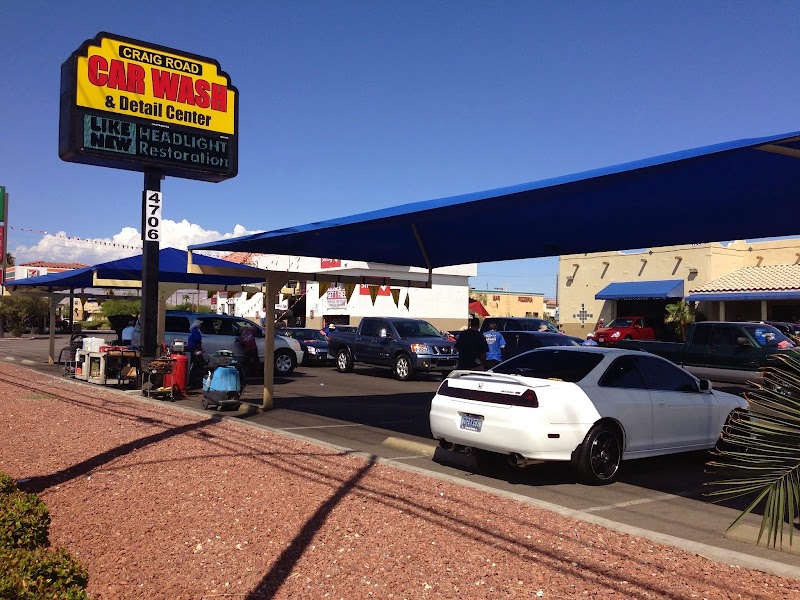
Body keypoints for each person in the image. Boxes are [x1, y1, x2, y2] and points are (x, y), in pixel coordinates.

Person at [187, 319, 205, 384]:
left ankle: (192, 378)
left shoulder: (193, 331)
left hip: (192, 349)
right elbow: (197, 342)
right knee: (198, 363)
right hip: (194, 349)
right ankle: (194, 378)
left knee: (194, 362)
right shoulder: (196, 332)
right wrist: (200, 349)